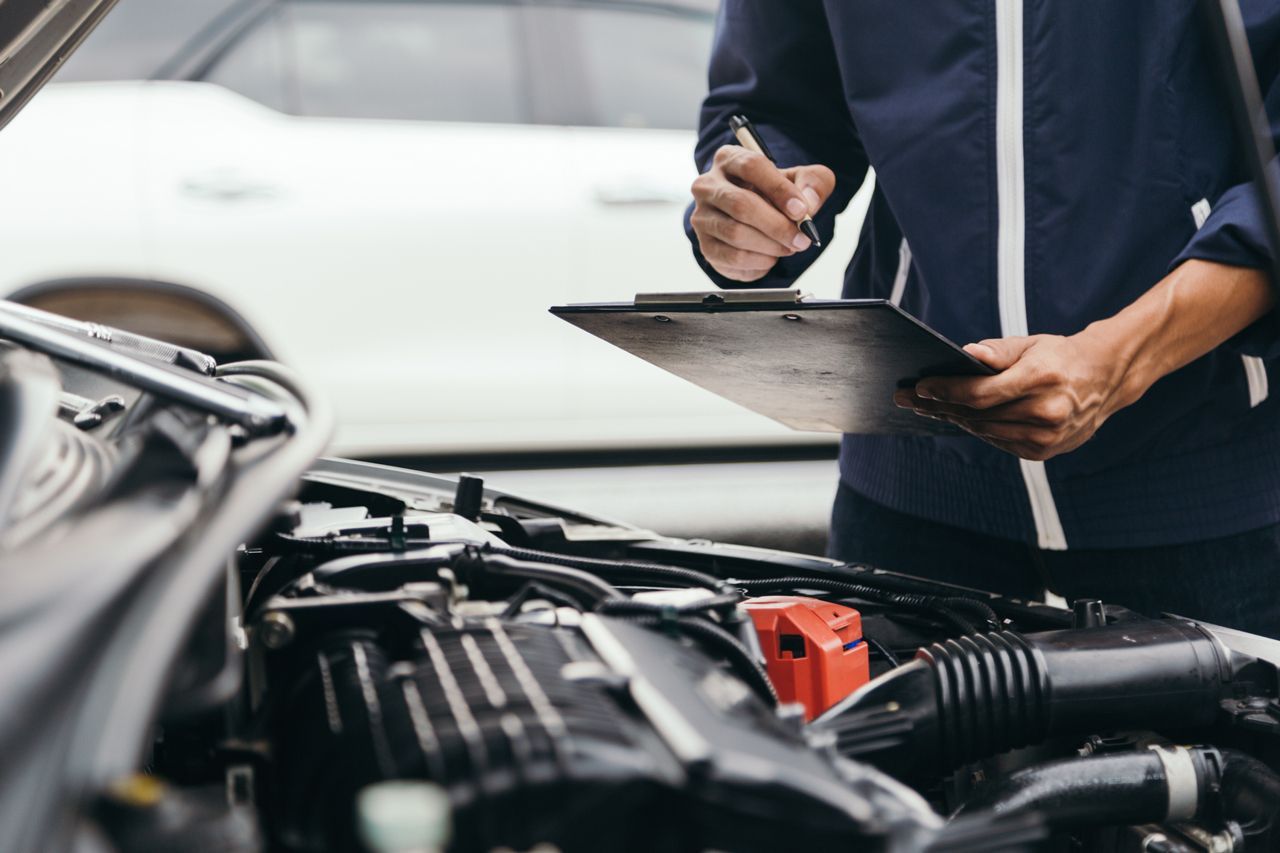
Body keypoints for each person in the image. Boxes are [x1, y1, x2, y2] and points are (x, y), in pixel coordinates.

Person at [685, 1, 1280, 636]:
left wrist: (1126, 353)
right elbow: (770, 108)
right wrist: (750, 209)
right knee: (861, 731)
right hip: (914, 479)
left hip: (1210, 475)